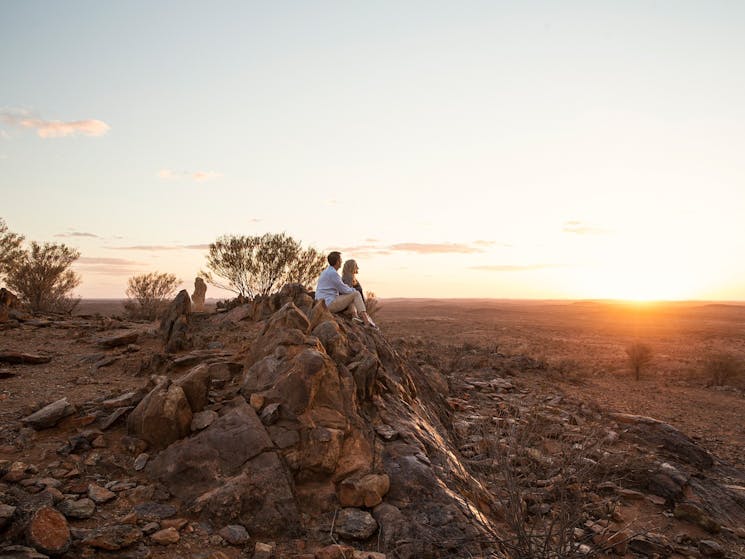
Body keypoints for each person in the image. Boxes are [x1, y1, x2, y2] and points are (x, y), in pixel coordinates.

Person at [316, 251, 377, 328]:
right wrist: (354, 291)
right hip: (329, 304)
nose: (341, 261)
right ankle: (366, 321)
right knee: (356, 294)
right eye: (340, 259)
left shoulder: (325, 272)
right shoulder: (333, 274)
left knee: (351, 296)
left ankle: (355, 317)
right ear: (338, 261)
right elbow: (344, 290)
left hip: (323, 302)